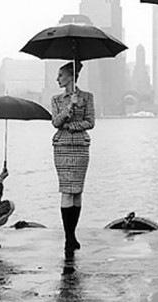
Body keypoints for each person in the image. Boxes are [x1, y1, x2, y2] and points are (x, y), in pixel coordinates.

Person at [51, 61, 95, 254]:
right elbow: (55, 122)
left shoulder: (87, 97)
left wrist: (72, 126)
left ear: (71, 76)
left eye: (61, 75)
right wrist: (70, 107)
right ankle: (69, 238)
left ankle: (72, 234)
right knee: (66, 191)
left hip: (80, 147)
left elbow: (90, 122)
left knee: (77, 192)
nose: (57, 79)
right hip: (62, 147)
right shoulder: (56, 99)